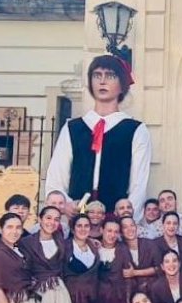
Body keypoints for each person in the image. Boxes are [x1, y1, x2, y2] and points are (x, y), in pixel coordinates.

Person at [45, 54, 151, 222]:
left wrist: (125, 219)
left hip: (114, 222)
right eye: (97, 75)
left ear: (122, 85)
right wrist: (67, 204)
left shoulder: (135, 130)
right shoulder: (73, 128)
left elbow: (139, 185)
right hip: (78, 222)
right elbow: (57, 176)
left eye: (110, 76)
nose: (102, 81)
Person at [120, 215, 161, 295]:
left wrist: (135, 273)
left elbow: (159, 268)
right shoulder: (120, 248)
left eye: (132, 225)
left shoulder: (150, 244)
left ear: (136, 227)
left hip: (152, 288)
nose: (129, 229)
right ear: (121, 232)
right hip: (129, 291)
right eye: (125, 227)